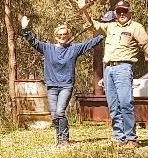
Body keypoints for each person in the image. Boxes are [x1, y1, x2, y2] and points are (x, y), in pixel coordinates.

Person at [75, 0, 148, 147]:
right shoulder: (110, 27)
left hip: (123, 68)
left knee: (125, 103)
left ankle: (131, 138)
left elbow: (145, 44)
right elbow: (91, 25)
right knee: (113, 105)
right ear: (115, 13)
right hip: (108, 69)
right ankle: (119, 137)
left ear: (130, 12)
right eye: (118, 11)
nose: (121, 14)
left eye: (124, 11)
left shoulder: (136, 27)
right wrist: (83, 10)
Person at [20, 15, 104, 147]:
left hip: (66, 86)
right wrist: (25, 29)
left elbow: (89, 44)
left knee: (60, 112)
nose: (62, 36)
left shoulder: (73, 49)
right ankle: (59, 139)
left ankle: (64, 139)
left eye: (65, 34)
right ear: (55, 36)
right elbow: (33, 41)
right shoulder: (47, 48)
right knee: (55, 115)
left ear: (68, 35)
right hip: (52, 86)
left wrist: (104, 33)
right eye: (59, 35)